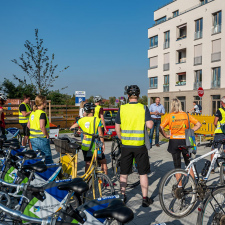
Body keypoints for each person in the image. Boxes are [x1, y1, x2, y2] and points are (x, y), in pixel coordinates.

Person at [115, 85, 154, 207]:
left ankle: (122, 196)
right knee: (143, 173)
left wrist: (122, 138)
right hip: (139, 145)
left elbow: (117, 128)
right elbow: (149, 126)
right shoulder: (143, 108)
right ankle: (145, 199)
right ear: (138, 96)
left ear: (127, 96)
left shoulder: (122, 108)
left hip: (126, 146)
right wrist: (151, 120)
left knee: (124, 173)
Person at [159, 98, 201, 176]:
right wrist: (191, 131)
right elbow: (199, 124)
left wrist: (165, 135)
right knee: (188, 164)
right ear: (180, 105)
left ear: (172, 106)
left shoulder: (169, 116)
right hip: (186, 141)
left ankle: (179, 186)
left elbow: (160, 127)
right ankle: (194, 186)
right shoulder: (186, 115)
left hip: (174, 141)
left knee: (177, 166)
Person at [70, 103, 108, 176]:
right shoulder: (96, 119)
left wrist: (80, 131)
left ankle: (87, 180)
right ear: (92, 111)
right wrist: (102, 144)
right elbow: (100, 134)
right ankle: (105, 181)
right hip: (95, 144)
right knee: (103, 161)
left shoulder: (81, 120)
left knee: (88, 162)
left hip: (86, 145)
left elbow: (71, 128)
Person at [27, 95, 53, 164]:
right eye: (45, 102)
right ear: (42, 103)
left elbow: (28, 125)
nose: (46, 103)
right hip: (41, 138)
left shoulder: (32, 113)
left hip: (32, 138)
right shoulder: (42, 113)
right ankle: (49, 173)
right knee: (47, 157)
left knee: (37, 157)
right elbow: (42, 127)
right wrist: (46, 135)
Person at [211, 96, 225, 173]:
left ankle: (212, 167)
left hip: (219, 133)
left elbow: (215, 122)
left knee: (214, 149)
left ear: (222, 103)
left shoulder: (219, 111)